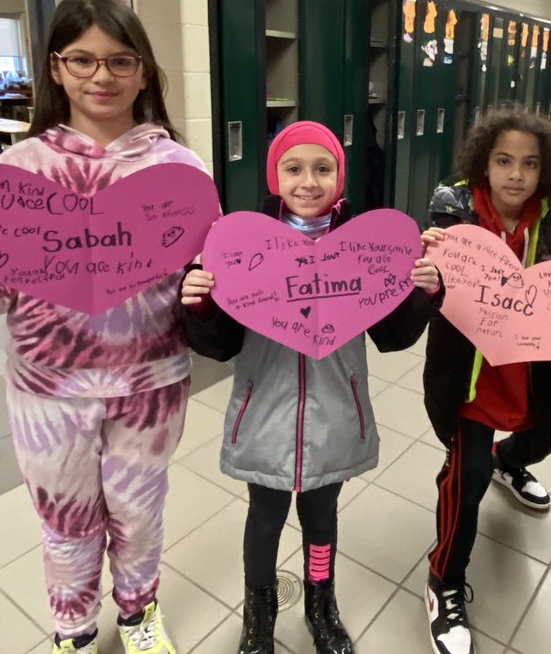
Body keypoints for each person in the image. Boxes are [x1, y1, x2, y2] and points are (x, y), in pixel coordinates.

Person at [0, 0, 205, 654]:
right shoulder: (21, 169)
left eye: (120, 60)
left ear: (144, 72)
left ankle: (138, 614)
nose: (101, 76)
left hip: (150, 386)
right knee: (65, 520)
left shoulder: (178, 170)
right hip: (47, 390)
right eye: (82, 60)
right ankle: (74, 629)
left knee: (139, 510)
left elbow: (201, 279)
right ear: (57, 69)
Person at [180, 120, 441, 654]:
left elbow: (392, 335)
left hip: (335, 415)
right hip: (265, 416)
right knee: (265, 518)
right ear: (274, 176)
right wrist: (202, 302)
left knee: (322, 518)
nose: (308, 181)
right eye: (293, 168)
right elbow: (220, 344)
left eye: (323, 169)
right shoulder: (242, 245)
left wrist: (423, 293)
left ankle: (321, 600)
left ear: (339, 177)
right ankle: (259, 609)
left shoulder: (364, 246)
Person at [421, 105, 551, 654]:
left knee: (541, 438)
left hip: (531, 371)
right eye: (503, 161)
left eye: (530, 164)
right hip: (468, 374)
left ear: (547, 170)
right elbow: (436, 285)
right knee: (465, 476)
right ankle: (444, 580)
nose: (516, 174)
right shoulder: (454, 211)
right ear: (483, 164)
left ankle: (509, 462)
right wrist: (423, 266)